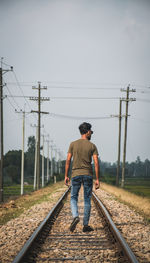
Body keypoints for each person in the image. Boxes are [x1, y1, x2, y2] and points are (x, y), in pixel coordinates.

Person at [65, 122, 100, 232]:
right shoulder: (92, 146)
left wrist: (66, 175)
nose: (91, 134)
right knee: (87, 199)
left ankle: (75, 216)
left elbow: (68, 160)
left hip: (75, 174)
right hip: (88, 175)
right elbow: (96, 163)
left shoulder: (73, 144)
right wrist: (97, 179)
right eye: (91, 132)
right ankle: (85, 225)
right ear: (88, 131)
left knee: (73, 198)